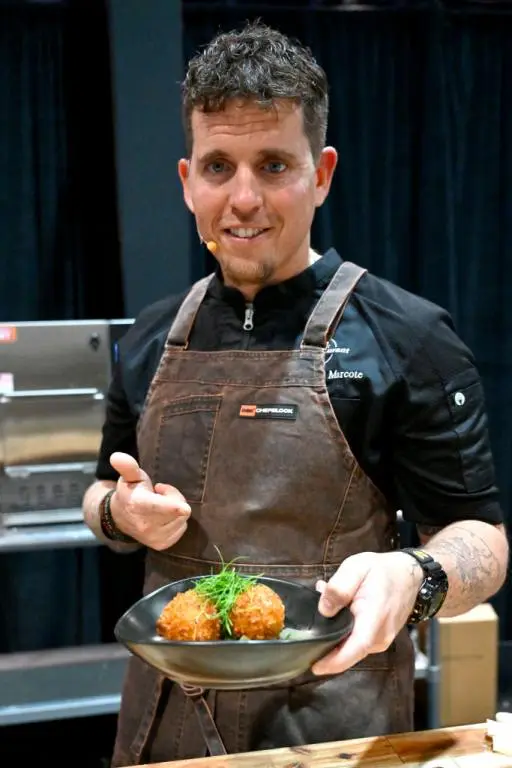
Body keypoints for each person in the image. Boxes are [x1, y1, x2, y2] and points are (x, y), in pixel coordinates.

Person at [83, 20, 509, 767]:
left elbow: (484, 539)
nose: (243, 199)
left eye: (273, 164)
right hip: (159, 734)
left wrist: (417, 573)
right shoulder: (149, 339)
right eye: (219, 167)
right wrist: (119, 512)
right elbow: (96, 496)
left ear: (323, 173)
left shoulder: (408, 337)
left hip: (333, 726)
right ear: (187, 182)